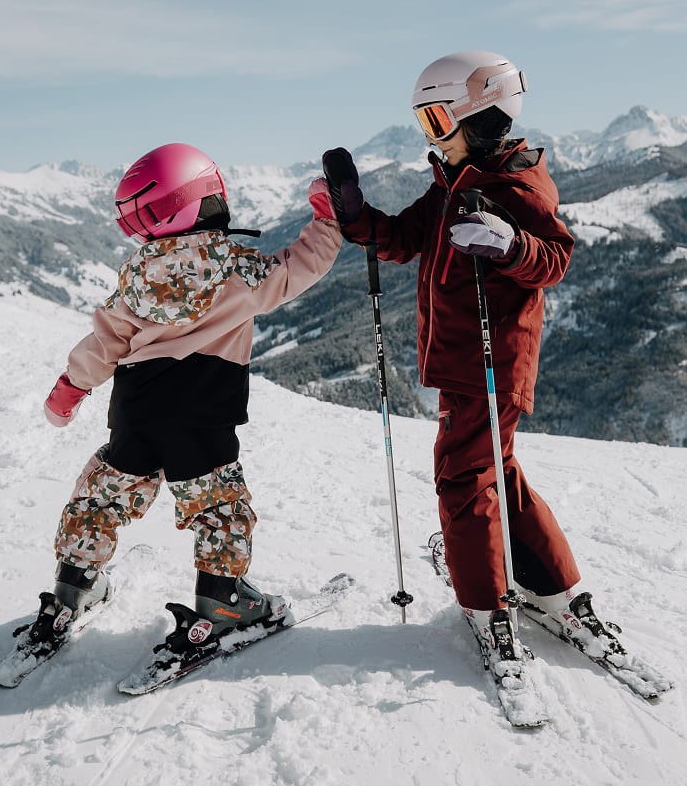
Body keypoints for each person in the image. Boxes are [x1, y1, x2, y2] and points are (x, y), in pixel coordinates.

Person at [323, 50, 618, 664]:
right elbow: (403, 239)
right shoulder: (450, 185)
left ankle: (488, 607)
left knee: (462, 478)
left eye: (435, 121)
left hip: (492, 364)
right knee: (495, 473)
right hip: (464, 364)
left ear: (478, 117)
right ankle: (555, 591)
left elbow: (555, 258)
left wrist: (511, 245)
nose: (427, 136)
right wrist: (352, 211)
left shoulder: (515, 183)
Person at [31, 142, 341, 651]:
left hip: (136, 415)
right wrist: (328, 220)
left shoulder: (135, 280)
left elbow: (103, 344)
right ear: (207, 201)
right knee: (219, 510)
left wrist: (71, 388)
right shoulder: (240, 271)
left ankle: (71, 590)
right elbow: (303, 266)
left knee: (101, 499)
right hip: (204, 417)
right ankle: (223, 603)